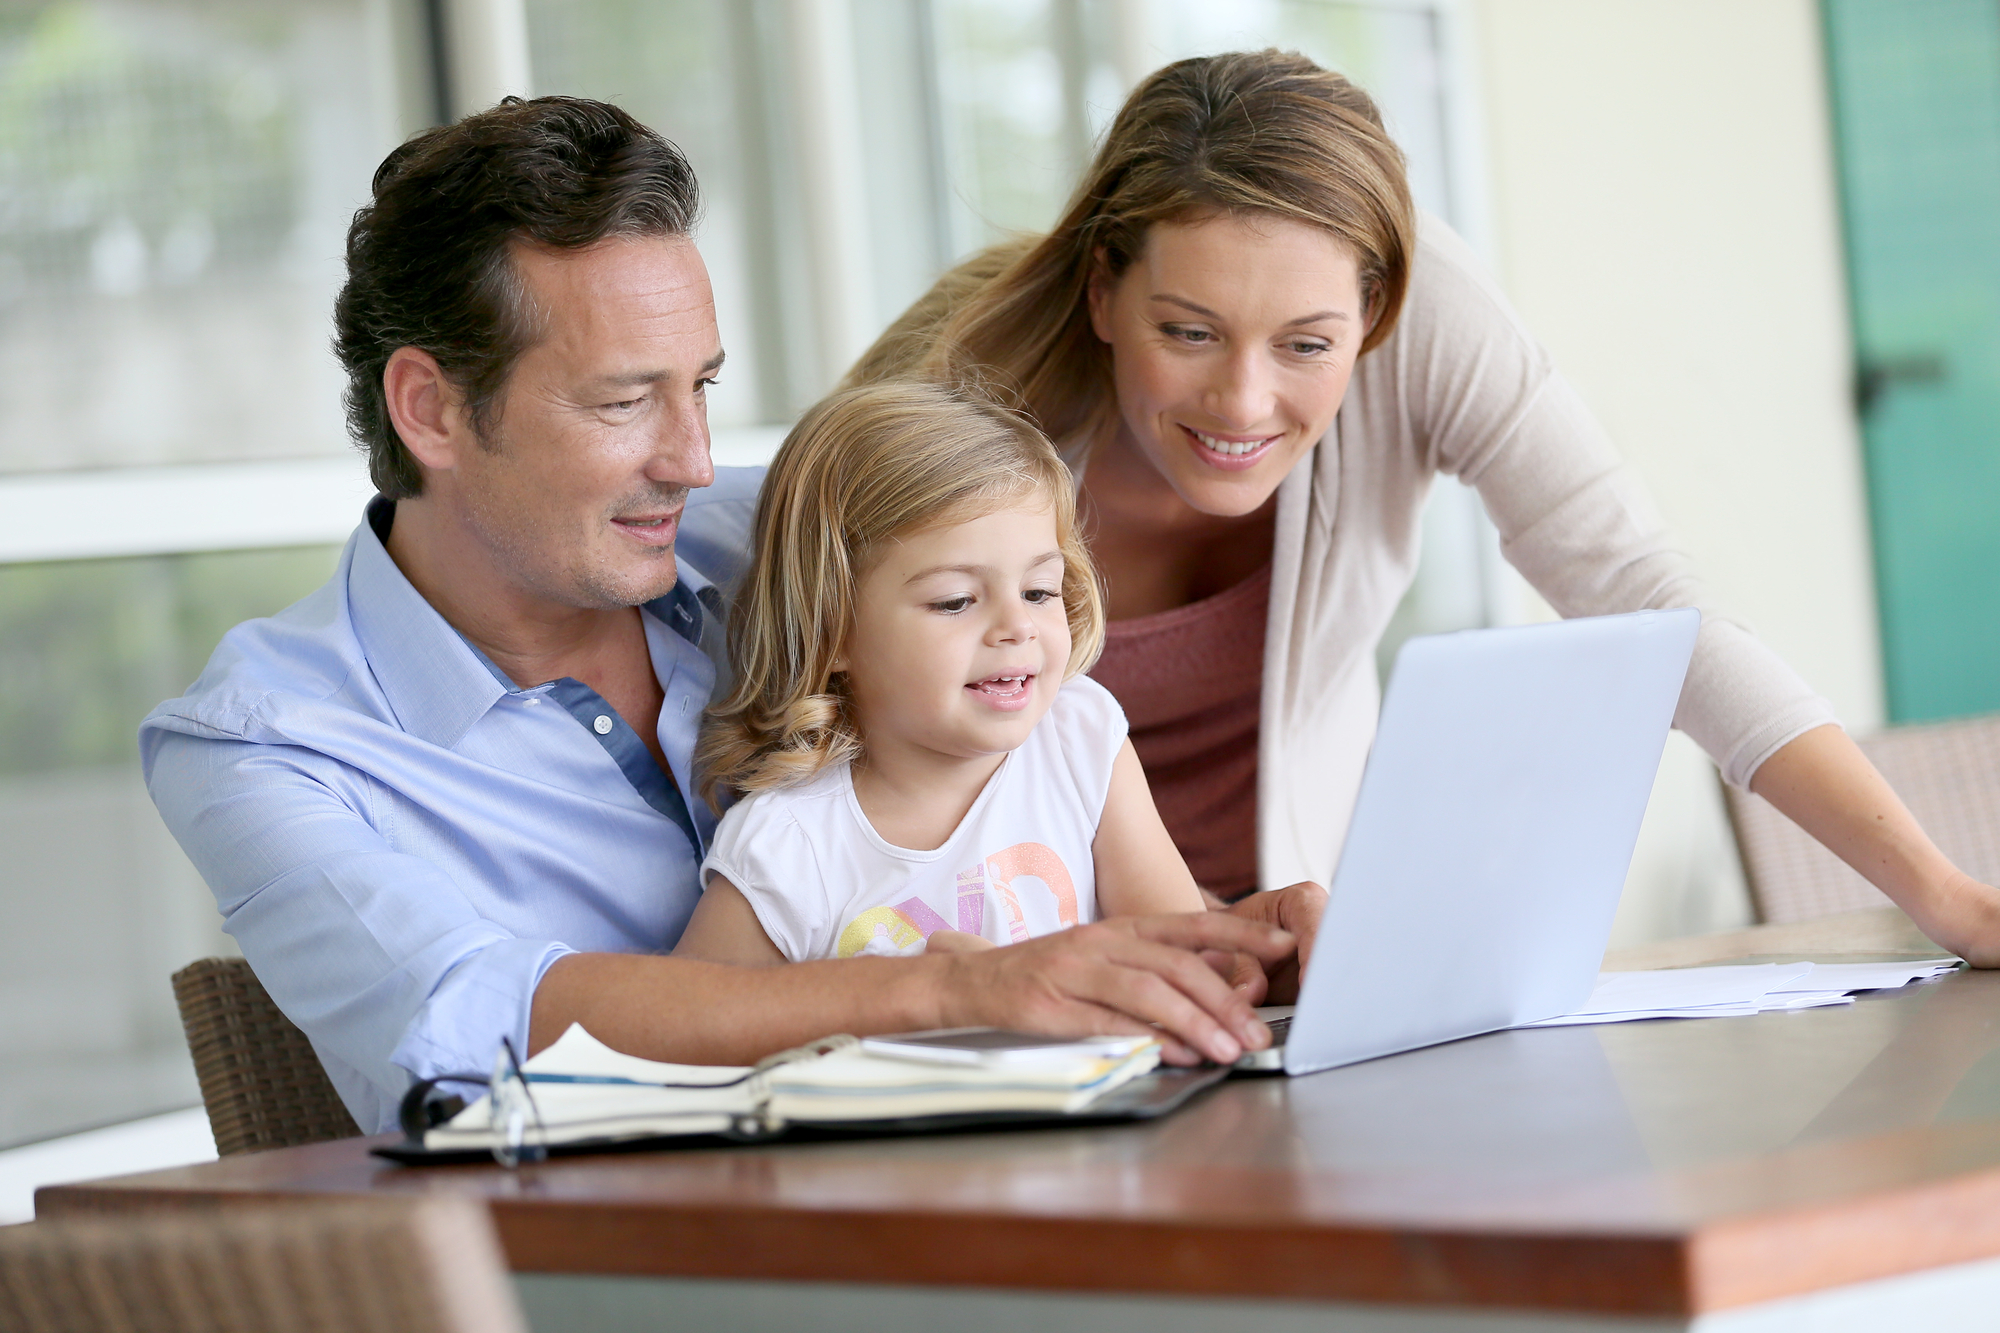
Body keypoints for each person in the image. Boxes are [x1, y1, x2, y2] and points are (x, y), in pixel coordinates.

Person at [139, 97, 1301, 1136]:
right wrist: (953, 990)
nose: (691, 459)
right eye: (623, 400)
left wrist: (1240, 942)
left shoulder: (803, 547)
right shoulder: (263, 740)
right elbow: (475, 1024)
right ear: (431, 409)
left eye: (698, 385)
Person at [849, 50, 2000, 963]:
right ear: (1103, 290)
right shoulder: (956, 409)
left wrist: (1945, 899)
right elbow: (834, 741)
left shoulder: (1419, 305)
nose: (1240, 401)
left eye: (1306, 345)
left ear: (1376, 314)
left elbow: (1652, 605)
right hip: (1040, 962)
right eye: (1185, 331)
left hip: (1306, 957)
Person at [676, 380, 1207, 966]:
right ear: (831, 630)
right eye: (955, 601)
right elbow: (691, 1029)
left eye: (1038, 591)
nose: (1016, 627)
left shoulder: (1080, 736)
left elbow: (1185, 959)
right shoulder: (788, 847)